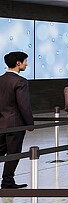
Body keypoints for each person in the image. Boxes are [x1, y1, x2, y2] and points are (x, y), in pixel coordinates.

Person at [0, 51, 32, 188]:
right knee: (13, 153)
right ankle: (7, 181)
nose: (27, 64)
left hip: (1, 122)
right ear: (18, 63)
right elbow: (23, 105)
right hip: (15, 124)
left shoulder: (0, 79)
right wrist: (30, 123)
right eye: (25, 61)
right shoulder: (20, 81)